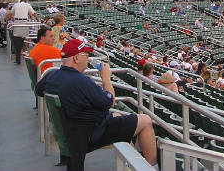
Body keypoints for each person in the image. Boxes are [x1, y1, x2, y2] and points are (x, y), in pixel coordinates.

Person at [35, 39, 157, 170]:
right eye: (86, 55)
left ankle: (133, 165)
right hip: (90, 134)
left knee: (117, 116)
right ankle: (151, 167)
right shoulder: (82, 82)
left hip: (72, 131)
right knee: (145, 120)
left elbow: (39, 90)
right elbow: (110, 101)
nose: (88, 59)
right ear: (76, 58)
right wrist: (106, 79)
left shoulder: (51, 75)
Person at [11, 0, 38, 65]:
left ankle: (20, 57)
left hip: (19, 22)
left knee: (21, 40)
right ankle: (21, 56)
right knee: (24, 39)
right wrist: (38, 20)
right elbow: (33, 13)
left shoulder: (19, 5)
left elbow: (12, 13)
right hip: (22, 22)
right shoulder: (22, 5)